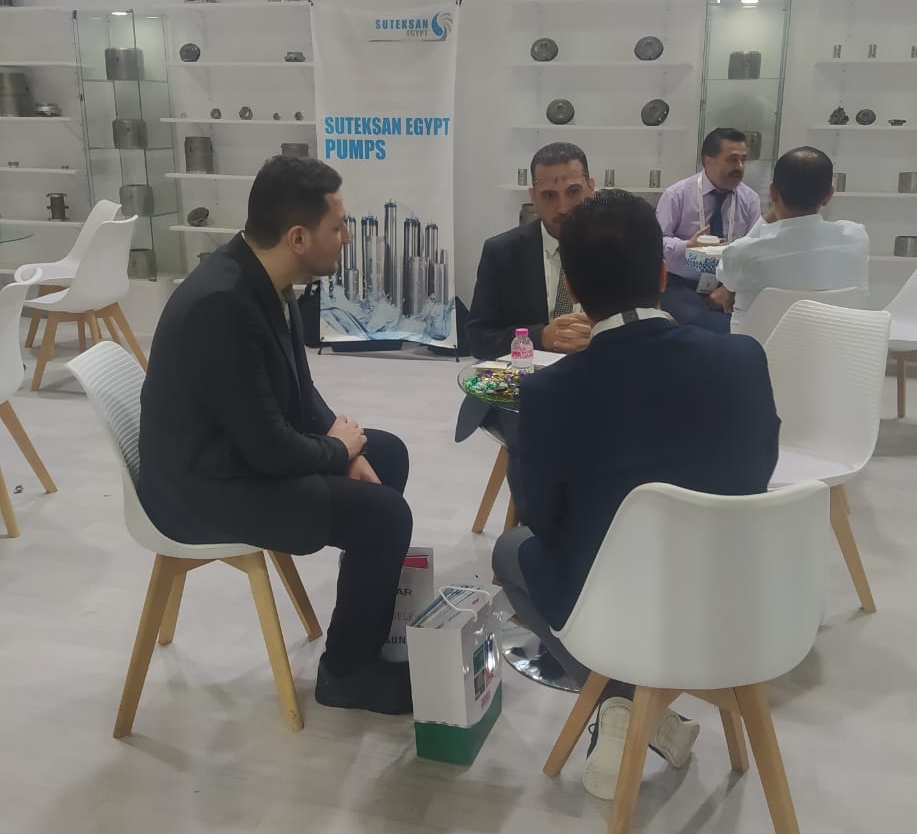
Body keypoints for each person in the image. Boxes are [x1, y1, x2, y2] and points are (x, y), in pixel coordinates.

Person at [493, 190, 780, 798]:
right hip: (738, 596)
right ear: (661, 274)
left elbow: (542, 520)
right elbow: (760, 469)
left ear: (571, 287)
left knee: (509, 549)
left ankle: (622, 705)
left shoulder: (549, 393)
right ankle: (636, 713)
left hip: (617, 606)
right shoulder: (742, 358)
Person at [138, 156, 414, 716]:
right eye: (338, 226)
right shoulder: (222, 305)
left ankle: (358, 626)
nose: (346, 237)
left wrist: (344, 446)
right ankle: (346, 674)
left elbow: (299, 392)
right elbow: (268, 449)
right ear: (298, 237)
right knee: (386, 517)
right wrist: (337, 451)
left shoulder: (265, 277)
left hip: (232, 458)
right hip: (201, 492)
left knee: (386, 454)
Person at [455, 143, 596, 513]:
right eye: (549, 195)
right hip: (523, 387)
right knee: (538, 434)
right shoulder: (503, 252)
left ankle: (596, 520)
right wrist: (539, 337)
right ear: (532, 196)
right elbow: (478, 338)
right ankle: (539, 527)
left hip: (595, 377)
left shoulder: (613, 246)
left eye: (573, 192)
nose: (563, 207)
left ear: (591, 187)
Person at [718, 146, 869, 332]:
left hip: (758, 349)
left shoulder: (742, 253)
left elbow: (728, 276)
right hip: (837, 347)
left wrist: (769, 214)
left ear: (773, 192)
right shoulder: (856, 237)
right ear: (829, 195)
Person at [656, 128, 761, 333]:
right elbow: (655, 243)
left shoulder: (750, 199)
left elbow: (755, 251)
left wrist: (729, 288)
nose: (739, 167)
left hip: (730, 285)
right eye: (732, 159)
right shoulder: (677, 195)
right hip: (682, 283)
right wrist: (687, 246)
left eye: (743, 160)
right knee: (712, 325)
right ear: (707, 161)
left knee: (752, 323)